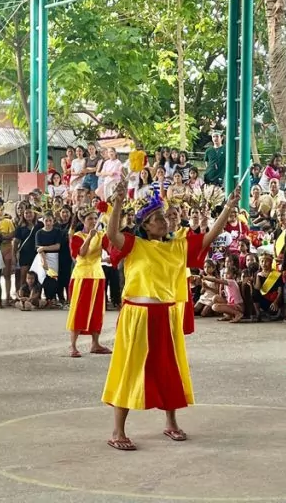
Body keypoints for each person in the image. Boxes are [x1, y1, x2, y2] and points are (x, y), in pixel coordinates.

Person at [101, 179, 238, 451]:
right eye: (157, 219)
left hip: (165, 314)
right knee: (130, 369)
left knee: (168, 368)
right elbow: (112, 232)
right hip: (137, 315)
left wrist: (228, 207)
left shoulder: (178, 245)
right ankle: (118, 431)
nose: (163, 221)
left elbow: (210, 236)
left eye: (163, 217)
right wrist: (116, 202)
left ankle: (171, 422)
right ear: (145, 226)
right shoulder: (133, 244)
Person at [66, 211, 111, 358]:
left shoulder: (101, 235)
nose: (92, 221)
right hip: (82, 277)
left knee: (98, 311)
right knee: (79, 310)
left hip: (98, 276)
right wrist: (90, 237)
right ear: (83, 220)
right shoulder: (77, 236)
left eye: (94, 218)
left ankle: (95, 343)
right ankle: (73, 345)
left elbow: (110, 248)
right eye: (89, 219)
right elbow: (81, 253)